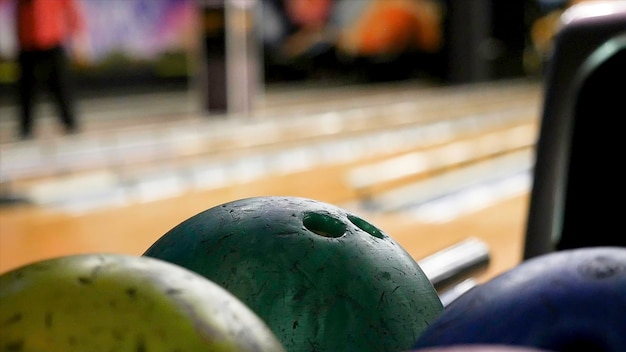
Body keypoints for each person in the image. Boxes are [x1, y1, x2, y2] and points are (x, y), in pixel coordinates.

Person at [12, 0, 89, 140]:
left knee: (60, 84)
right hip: (27, 40)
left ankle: (69, 122)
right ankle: (26, 127)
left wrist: (78, 38)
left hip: (51, 38)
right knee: (27, 88)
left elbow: (70, 8)